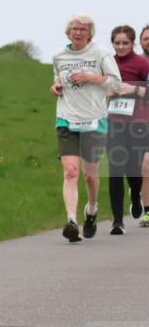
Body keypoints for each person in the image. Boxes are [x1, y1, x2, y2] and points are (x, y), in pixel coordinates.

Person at [50, 15, 121, 242]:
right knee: (70, 170)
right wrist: (56, 87)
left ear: (90, 33)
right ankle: (71, 221)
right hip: (66, 118)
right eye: (74, 28)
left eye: (82, 29)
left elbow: (116, 83)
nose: (78, 32)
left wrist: (91, 77)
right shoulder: (59, 56)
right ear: (68, 32)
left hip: (94, 119)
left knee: (90, 175)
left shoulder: (100, 54)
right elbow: (58, 81)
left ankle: (91, 209)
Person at [105, 25, 149, 234]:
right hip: (114, 123)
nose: (121, 47)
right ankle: (117, 222)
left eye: (125, 43)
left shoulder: (142, 64)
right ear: (112, 43)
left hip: (138, 124)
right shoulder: (108, 63)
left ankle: (135, 195)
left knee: (134, 170)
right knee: (115, 171)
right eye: (117, 43)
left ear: (133, 44)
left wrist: (135, 89)